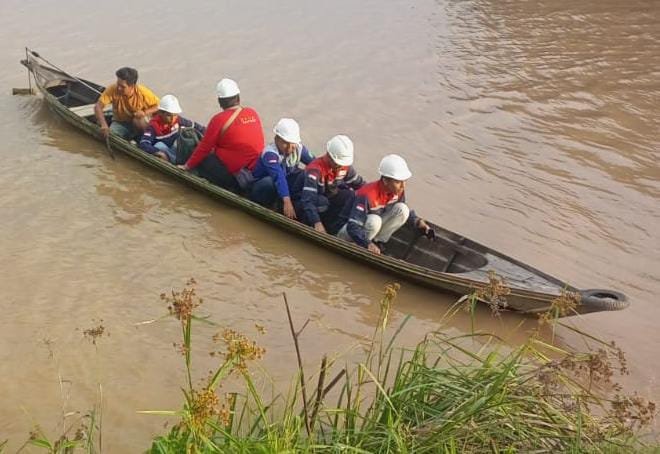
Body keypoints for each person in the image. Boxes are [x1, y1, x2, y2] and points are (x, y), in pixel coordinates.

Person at [178, 78, 264, 192]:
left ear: (219, 102)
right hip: (255, 169)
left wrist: (186, 166)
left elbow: (204, 148)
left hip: (233, 176)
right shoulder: (252, 113)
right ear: (238, 98)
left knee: (198, 155)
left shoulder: (218, 120)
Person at [337, 154, 433, 255]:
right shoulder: (367, 195)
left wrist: (418, 222)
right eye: (398, 182)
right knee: (374, 221)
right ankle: (361, 247)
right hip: (347, 232)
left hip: (367, 233)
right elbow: (353, 226)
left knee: (402, 209)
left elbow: (404, 210)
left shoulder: (397, 192)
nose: (403, 186)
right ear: (385, 181)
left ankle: (377, 242)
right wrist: (367, 244)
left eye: (404, 181)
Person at [290, 135, 364, 234]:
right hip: (302, 202)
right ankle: (309, 226)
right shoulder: (315, 170)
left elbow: (360, 185)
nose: (340, 167)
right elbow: (307, 200)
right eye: (337, 164)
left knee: (350, 196)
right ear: (329, 156)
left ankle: (334, 230)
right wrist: (316, 222)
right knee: (322, 202)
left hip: (327, 200)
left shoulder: (345, 168)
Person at [250, 118, 314, 219]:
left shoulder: (299, 149)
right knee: (269, 182)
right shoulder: (270, 154)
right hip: (262, 188)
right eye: (285, 143)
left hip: (283, 186)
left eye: (292, 144)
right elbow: (278, 177)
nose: (289, 148)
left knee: (306, 174)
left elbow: (315, 164)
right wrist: (287, 201)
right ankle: (271, 205)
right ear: (276, 139)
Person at [94, 67, 160, 140]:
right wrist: (104, 125)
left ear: (132, 86)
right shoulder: (112, 89)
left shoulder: (143, 92)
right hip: (120, 122)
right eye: (118, 84)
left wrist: (144, 112)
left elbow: (159, 106)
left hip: (138, 122)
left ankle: (146, 139)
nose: (119, 88)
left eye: (123, 87)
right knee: (111, 137)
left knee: (138, 120)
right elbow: (98, 107)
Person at [138, 95, 205, 163]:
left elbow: (199, 127)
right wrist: (159, 153)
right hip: (170, 153)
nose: (173, 119)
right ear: (161, 113)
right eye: (169, 115)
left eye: (175, 115)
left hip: (182, 151)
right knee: (159, 145)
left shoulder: (179, 120)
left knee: (187, 133)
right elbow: (144, 144)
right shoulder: (153, 126)